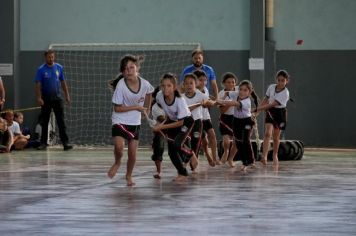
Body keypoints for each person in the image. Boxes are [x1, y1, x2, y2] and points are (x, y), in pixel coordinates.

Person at [107, 54, 154, 186]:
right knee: (119, 147)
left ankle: (128, 175)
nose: (129, 71)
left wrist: (147, 108)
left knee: (133, 154)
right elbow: (117, 109)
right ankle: (117, 162)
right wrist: (137, 107)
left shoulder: (144, 84)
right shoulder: (121, 86)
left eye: (131, 67)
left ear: (137, 68)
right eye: (126, 69)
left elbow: (150, 92)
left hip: (135, 122)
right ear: (122, 72)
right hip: (120, 120)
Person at [153, 73, 198, 182]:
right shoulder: (159, 96)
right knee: (171, 152)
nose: (165, 88)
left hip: (186, 121)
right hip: (173, 120)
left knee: (177, 144)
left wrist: (161, 127)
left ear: (174, 87)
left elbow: (180, 122)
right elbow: (168, 113)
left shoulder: (180, 100)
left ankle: (190, 154)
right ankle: (182, 173)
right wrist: (161, 124)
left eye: (169, 86)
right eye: (163, 86)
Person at [34, 49, 72, 151]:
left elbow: (63, 82)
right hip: (45, 99)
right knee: (45, 121)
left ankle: (65, 143)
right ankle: (43, 143)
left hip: (57, 99)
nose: (51, 59)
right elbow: (38, 85)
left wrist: (67, 95)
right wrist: (39, 97)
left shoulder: (59, 67)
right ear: (45, 57)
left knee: (61, 121)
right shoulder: (41, 69)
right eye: (49, 57)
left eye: (52, 57)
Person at [222, 80, 259, 170]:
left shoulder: (247, 101)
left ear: (250, 92)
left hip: (246, 121)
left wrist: (218, 101)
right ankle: (244, 162)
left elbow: (234, 103)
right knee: (238, 142)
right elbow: (227, 93)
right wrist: (223, 98)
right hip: (236, 121)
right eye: (241, 90)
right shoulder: (236, 94)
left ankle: (251, 161)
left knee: (245, 140)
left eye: (245, 90)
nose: (242, 92)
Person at [182, 73, 216, 167]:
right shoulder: (181, 97)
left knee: (196, 142)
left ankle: (194, 163)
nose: (189, 85)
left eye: (191, 83)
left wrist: (210, 102)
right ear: (183, 85)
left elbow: (210, 102)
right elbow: (185, 109)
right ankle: (186, 160)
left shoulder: (200, 94)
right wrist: (197, 104)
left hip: (197, 122)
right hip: (186, 122)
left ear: (195, 84)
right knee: (183, 141)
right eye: (187, 83)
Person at [256, 70, 290, 166]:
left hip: (280, 113)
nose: (280, 82)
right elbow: (266, 99)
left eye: (283, 80)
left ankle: (275, 154)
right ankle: (264, 156)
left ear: (286, 81)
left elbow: (272, 104)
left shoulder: (285, 93)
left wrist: (256, 109)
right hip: (270, 112)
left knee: (275, 137)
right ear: (276, 80)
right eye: (278, 80)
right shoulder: (271, 87)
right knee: (267, 133)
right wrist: (257, 112)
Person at [193, 70, 221, 165]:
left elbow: (207, 98)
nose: (203, 82)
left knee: (212, 135)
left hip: (205, 116)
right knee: (203, 141)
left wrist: (215, 99)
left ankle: (214, 158)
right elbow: (205, 104)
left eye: (205, 80)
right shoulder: (194, 92)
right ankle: (206, 157)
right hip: (196, 118)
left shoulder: (205, 89)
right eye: (200, 80)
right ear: (195, 80)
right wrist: (216, 102)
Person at [218, 72, 239, 164]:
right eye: (228, 82)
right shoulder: (221, 93)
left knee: (237, 140)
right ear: (224, 83)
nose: (231, 84)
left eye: (233, 82)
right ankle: (226, 152)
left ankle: (231, 158)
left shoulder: (239, 91)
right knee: (226, 141)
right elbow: (222, 110)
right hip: (225, 118)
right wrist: (229, 102)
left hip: (237, 117)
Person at [149, 86, 166, 179]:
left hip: (174, 128)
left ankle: (184, 166)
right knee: (158, 149)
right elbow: (164, 120)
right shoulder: (155, 108)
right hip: (160, 130)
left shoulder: (173, 102)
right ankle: (159, 171)